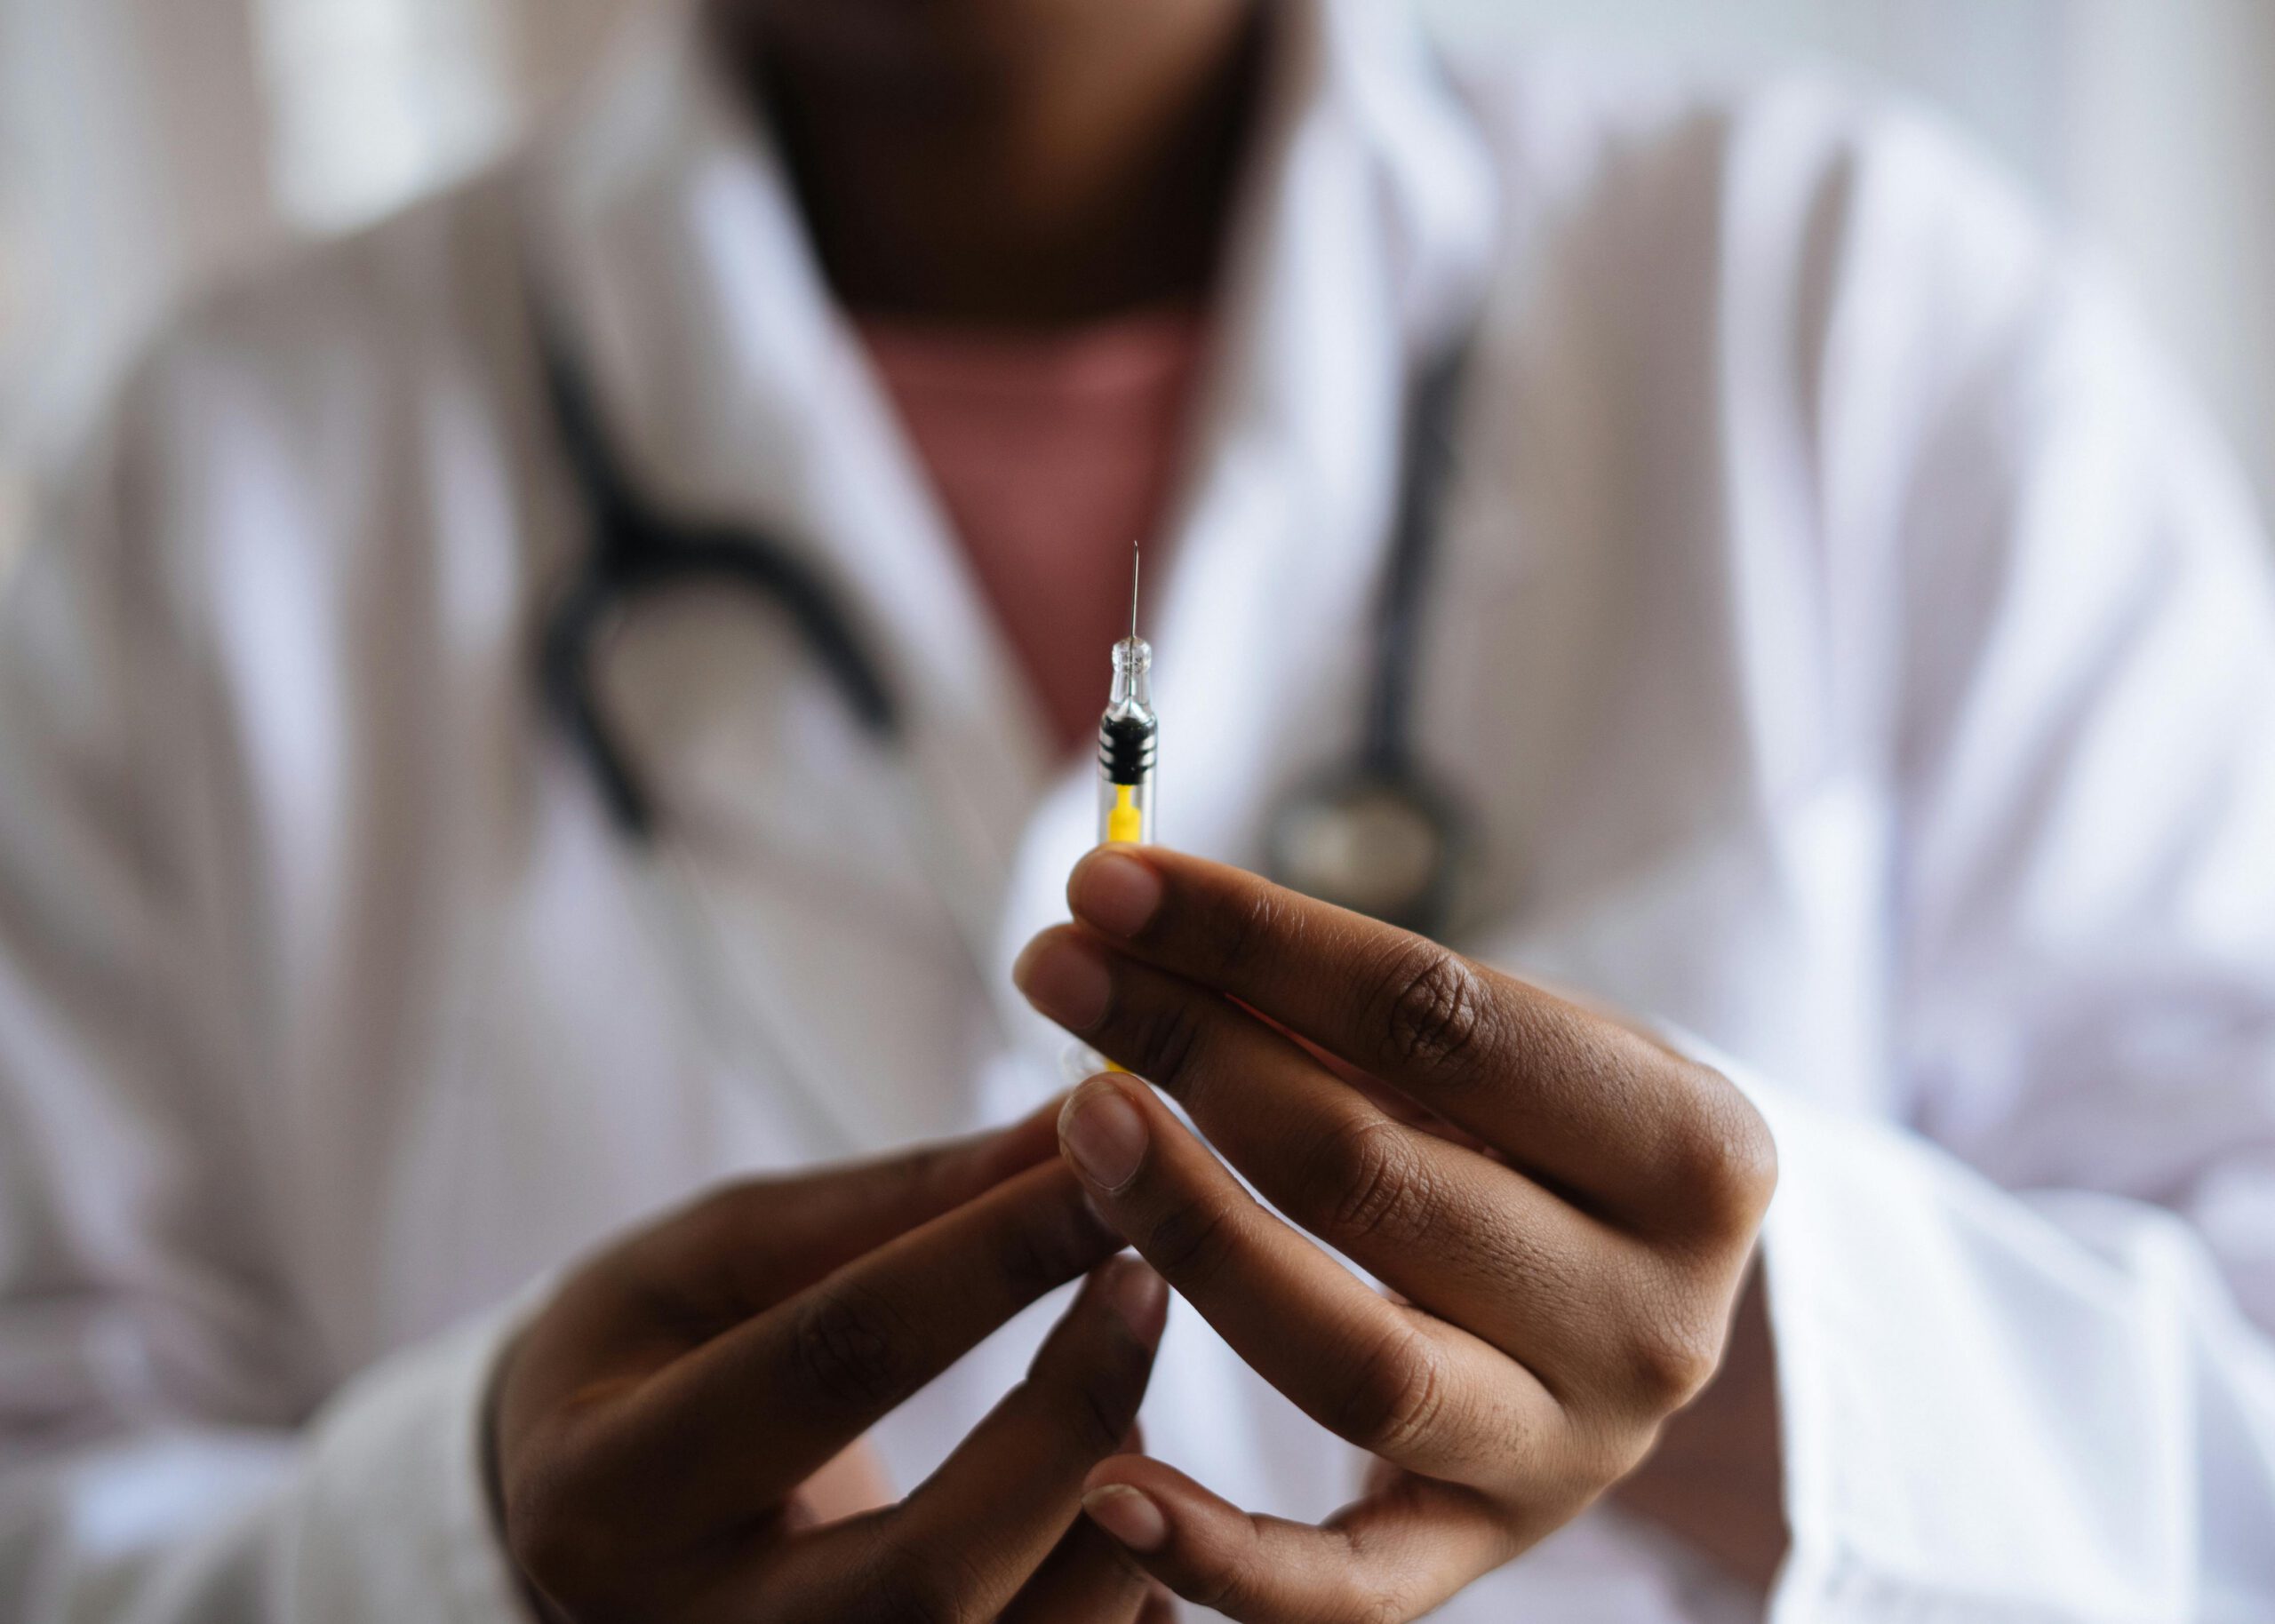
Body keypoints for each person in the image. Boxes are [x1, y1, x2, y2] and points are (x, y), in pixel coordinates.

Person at [2, 0, 2273, 1617]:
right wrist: (452, 1551)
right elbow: (53, 1507)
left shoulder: (1853, 320)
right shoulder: (217, 492)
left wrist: (1778, 1362)